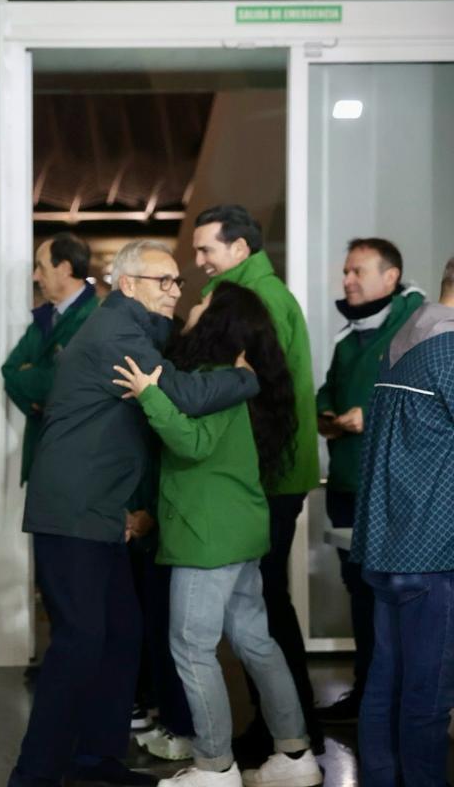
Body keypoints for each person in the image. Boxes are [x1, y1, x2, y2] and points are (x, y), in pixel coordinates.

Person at [10, 240, 260, 787]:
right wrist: (247, 377)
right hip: (73, 511)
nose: (175, 290)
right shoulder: (117, 335)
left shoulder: (136, 329)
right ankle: (33, 775)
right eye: (163, 281)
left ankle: (96, 759)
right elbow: (185, 395)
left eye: (177, 282)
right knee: (79, 643)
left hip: (99, 511)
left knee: (121, 633)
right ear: (128, 286)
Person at [114, 282, 323, 787]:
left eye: (205, 302)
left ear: (220, 320)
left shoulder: (215, 377)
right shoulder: (238, 377)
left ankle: (214, 766)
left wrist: (150, 396)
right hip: (239, 531)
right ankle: (295, 757)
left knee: (191, 647)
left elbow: (193, 444)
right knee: (256, 642)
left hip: (207, 537)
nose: (193, 304)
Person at [191, 205, 323, 753]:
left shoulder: (250, 300)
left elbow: (242, 390)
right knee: (261, 605)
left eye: (207, 251)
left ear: (239, 250)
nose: (199, 262)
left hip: (264, 475)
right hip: (273, 472)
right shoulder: (263, 292)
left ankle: (287, 732)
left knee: (261, 608)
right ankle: (287, 729)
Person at [351, 256, 454, 787]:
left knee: (385, 686)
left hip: (387, 548)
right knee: (428, 698)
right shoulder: (452, 351)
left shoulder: (402, 347)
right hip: (433, 555)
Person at [315, 237, 423, 723]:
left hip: (391, 487)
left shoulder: (420, 324)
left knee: (395, 596)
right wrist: (326, 414)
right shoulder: (349, 335)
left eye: (357, 271)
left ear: (391, 276)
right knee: (358, 592)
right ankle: (367, 694)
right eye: (345, 272)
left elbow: (428, 400)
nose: (347, 280)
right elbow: (326, 390)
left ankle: (395, 699)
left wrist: (370, 415)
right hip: (346, 483)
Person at [1, 232, 99, 485]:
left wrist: (33, 376)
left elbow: (62, 381)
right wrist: (39, 404)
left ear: (64, 269)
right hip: (42, 455)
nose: (35, 276)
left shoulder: (95, 319)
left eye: (41, 268)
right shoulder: (44, 317)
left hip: (77, 461)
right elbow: (10, 371)